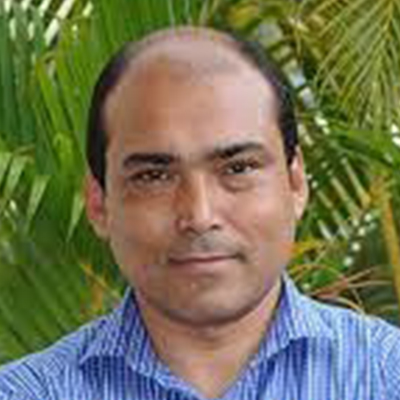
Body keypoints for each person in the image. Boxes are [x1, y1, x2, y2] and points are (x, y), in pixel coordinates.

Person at [0, 26, 399, 400]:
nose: (200, 215)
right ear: (99, 202)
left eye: (238, 168)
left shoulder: (385, 376)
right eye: (154, 176)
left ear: (295, 183)